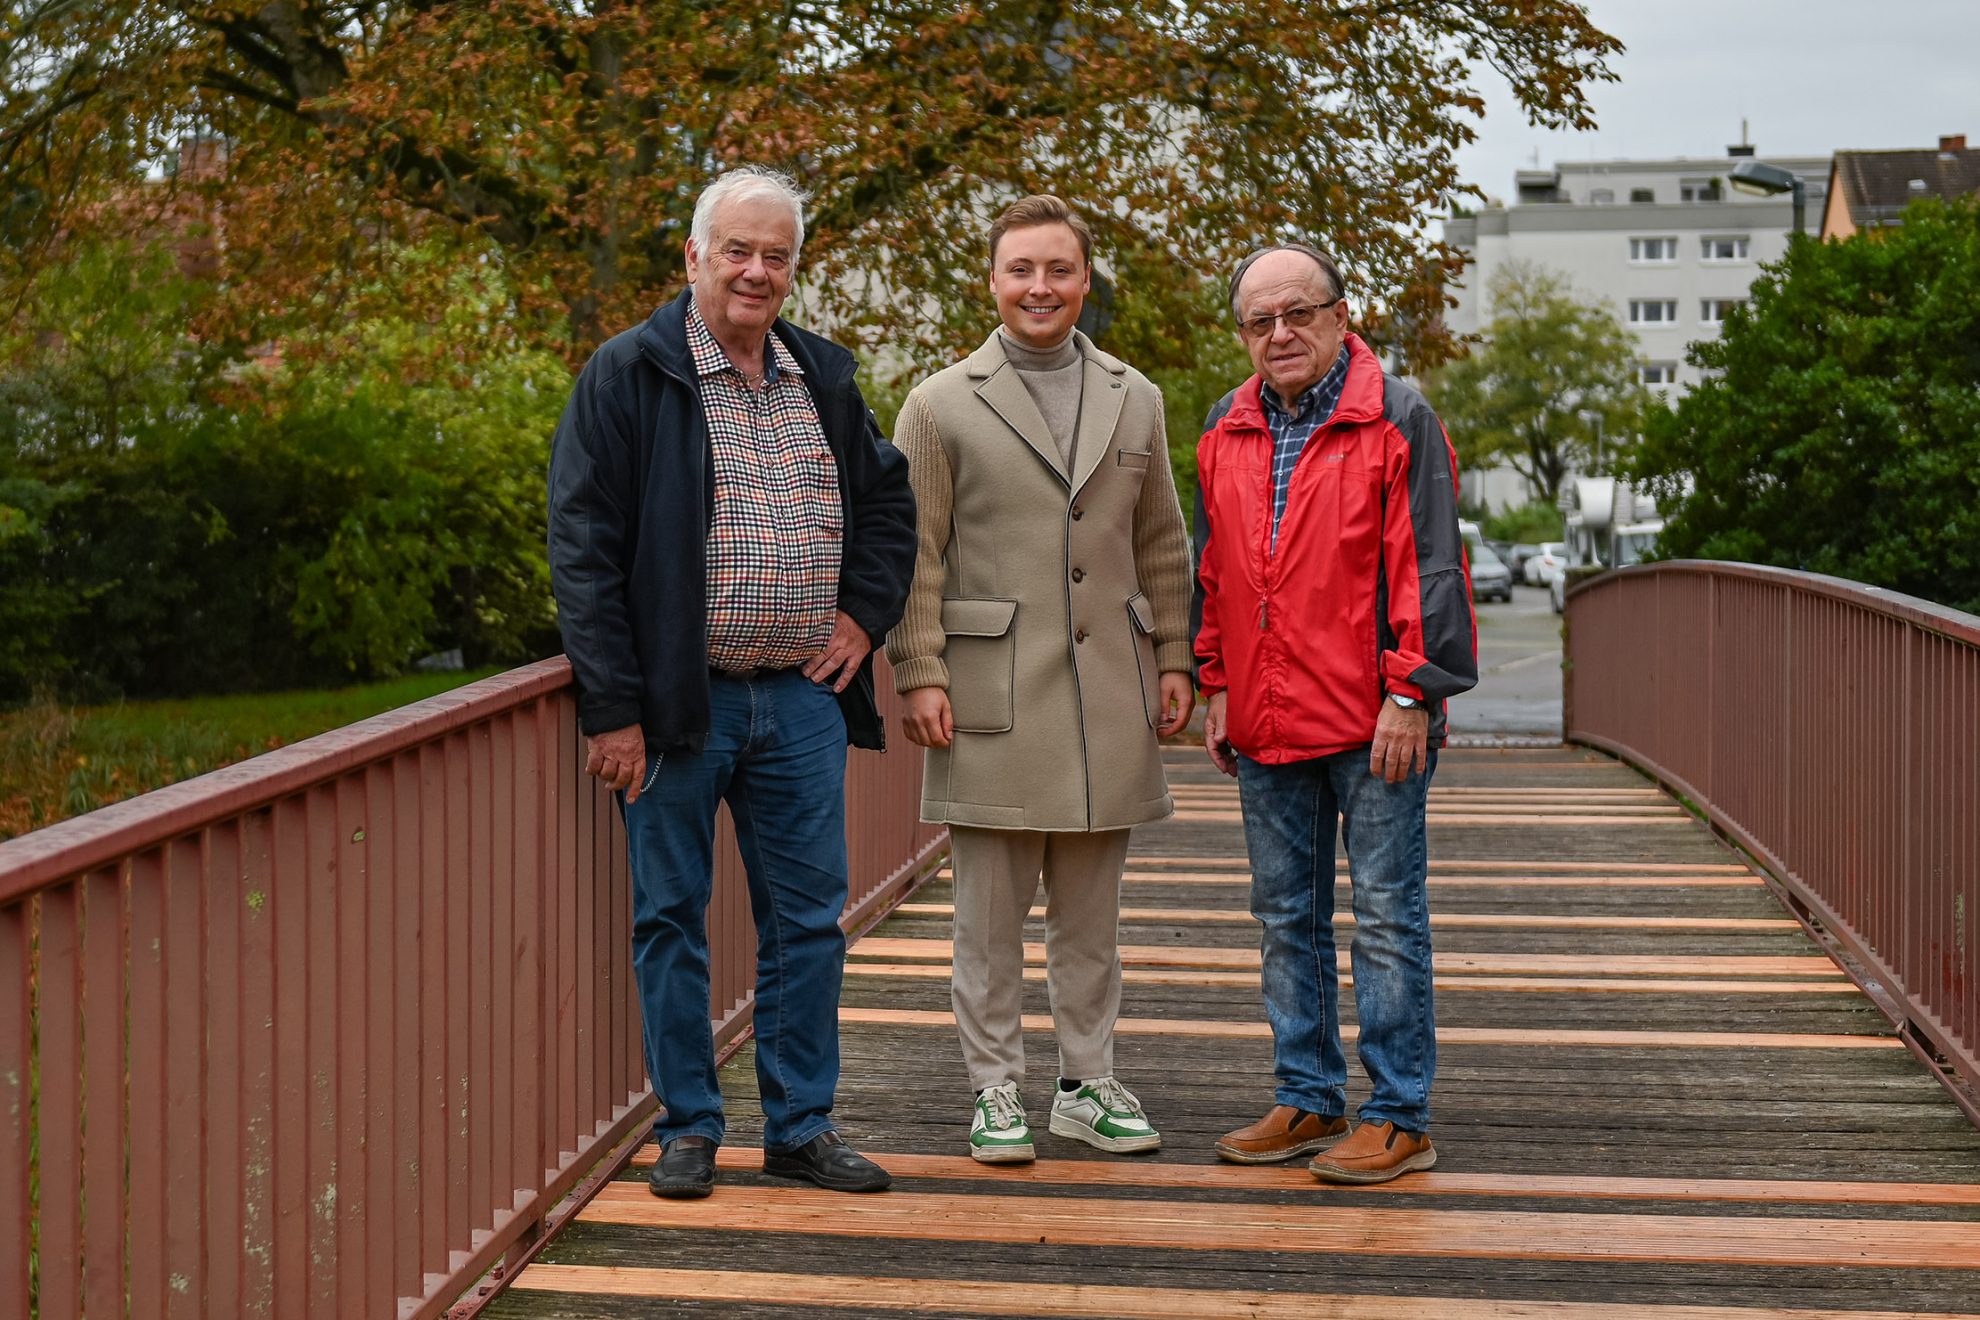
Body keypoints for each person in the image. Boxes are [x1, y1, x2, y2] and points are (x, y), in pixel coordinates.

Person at [547, 166, 917, 1199]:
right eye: (739, 250)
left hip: (798, 697)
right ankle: (689, 1125)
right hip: (677, 707)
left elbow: (891, 510)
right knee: (672, 914)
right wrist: (612, 708)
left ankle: (800, 1126)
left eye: (777, 255)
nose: (757, 271)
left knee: (808, 921)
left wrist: (862, 618)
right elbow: (582, 550)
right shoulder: (628, 375)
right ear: (695, 257)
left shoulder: (824, 376)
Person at [886, 195, 1195, 1165]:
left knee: (1092, 916)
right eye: (1022, 269)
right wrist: (919, 670)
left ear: (1085, 280)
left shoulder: (1133, 396)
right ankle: (992, 1090)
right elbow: (914, 554)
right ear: (992, 280)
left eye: (1059, 270)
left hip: (1110, 691)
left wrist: (1177, 656)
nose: (1040, 287)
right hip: (991, 693)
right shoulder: (938, 405)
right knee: (987, 917)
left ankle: (1084, 1081)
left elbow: (1162, 542)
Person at [1192, 242, 1476, 1184]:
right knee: (1285, 916)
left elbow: (1431, 565)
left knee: (1388, 915)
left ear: (1340, 316)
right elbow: (1215, 571)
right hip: (1268, 711)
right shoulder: (1225, 427)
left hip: (1373, 715)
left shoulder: (1397, 415)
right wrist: (1217, 681)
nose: (1280, 334)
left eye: (1298, 313)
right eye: (1260, 321)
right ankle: (1308, 1096)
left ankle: (1398, 1114)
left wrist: (1412, 692)